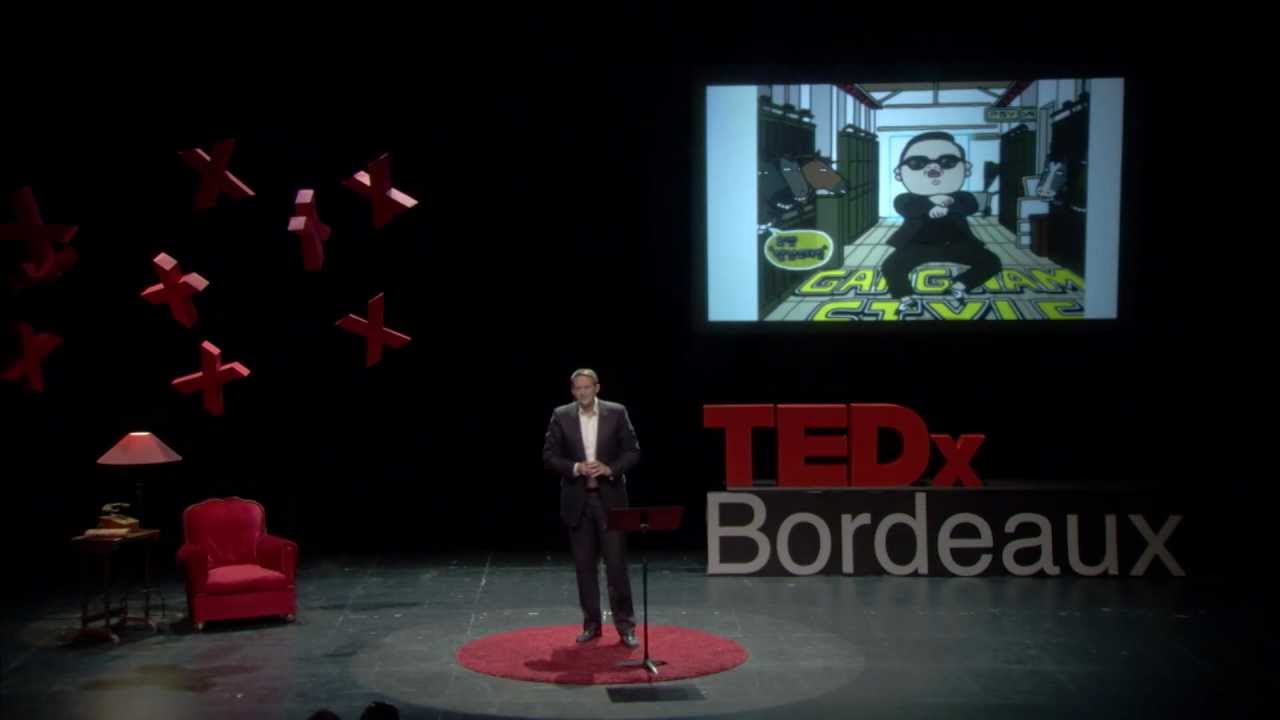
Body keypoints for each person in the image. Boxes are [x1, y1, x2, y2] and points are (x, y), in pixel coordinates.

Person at [542, 368, 640, 647]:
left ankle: (626, 627)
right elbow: (549, 456)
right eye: (577, 388)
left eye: (587, 387)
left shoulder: (616, 412)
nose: (582, 392)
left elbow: (632, 451)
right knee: (584, 567)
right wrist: (576, 467)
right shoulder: (561, 415)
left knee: (616, 567)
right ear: (572, 391)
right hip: (578, 501)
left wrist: (610, 469)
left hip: (610, 500)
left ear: (597, 387)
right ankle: (592, 625)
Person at [882, 131, 1002, 314]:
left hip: (957, 245)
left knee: (992, 262)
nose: (933, 169)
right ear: (899, 173)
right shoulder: (905, 198)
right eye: (916, 163)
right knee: (890, 266)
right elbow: (907, 208)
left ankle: (960, 285)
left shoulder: (962, 197)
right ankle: (905, 297)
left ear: (966, 169)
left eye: (948, 162)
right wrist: (931, 202)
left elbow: (970, 205)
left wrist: (949, 203)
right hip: (917, 246)